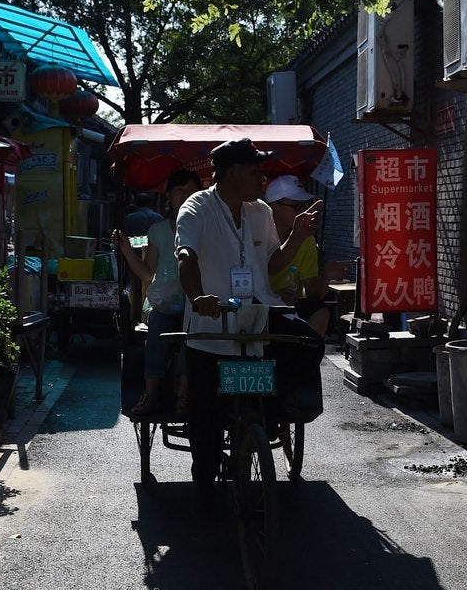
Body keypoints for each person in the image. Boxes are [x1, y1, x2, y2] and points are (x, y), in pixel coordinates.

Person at [175, 138, 324, 504]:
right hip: (212, 328)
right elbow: (185, 256)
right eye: (256, 171)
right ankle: (205, 486)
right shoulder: (197, 208)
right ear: (233, 173)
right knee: (205, 421)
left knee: (309, 344)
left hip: (259, 319)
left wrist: (298, 236)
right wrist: (198, 298)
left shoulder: (260, 212)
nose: (262, 178)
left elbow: (273, 263)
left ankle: (273, 408)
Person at [112, 168, 203, 415]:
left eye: (191, 192)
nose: (184, 197)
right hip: (164, 305)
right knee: (157, 331)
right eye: (179, 191)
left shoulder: (207, 228)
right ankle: (150, 393)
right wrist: (127, 250)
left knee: (192, 336)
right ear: (169, 195)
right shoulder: (158, 230)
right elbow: (147, 273)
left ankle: (184, 395)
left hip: (198, 305)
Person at [264, 174, 349, 340]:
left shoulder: (306, 239)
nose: (304, 211)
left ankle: (308, 356)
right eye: (296, 206)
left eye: (304, 205)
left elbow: (312, 293)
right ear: (275, 206)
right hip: (259, 304)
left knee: (319, 311)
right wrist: (272, 294)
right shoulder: (257, 235)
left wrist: (326, 276)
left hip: (290, 306)